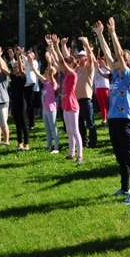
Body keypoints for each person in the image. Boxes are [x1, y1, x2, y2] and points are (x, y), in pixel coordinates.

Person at [96, 18, 130, 205]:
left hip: (124, 120)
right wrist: (99, 35)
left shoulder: (129, 76)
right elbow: (108, 53)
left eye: (117, 60)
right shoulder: (114, 76)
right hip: (113, 119)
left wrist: (113, 32)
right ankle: (125, 188)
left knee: (129, 157)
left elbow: (118, 54)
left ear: (125, 62)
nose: (112, 61)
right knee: (120, 157)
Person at [48, 35, 83, 164]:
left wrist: (57, 46)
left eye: (67, 63)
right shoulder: (65, 74)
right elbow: (59, 62)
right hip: (65, 105)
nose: (63, 65)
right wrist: (53, 48)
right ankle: (71, 153)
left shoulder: (73, 74)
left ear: (71, 65)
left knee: (75, 131)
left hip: (73, 106)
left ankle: (80, 156)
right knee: (69, 131)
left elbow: (61, 61)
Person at [69, 38, 97, 148]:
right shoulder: (77, 69)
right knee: (80, 123)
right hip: (77, 100)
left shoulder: (88, 68)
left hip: (86, 99)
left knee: (90, 122)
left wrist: (86, 44)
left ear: (85, 58)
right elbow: (69, 62)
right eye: (78, 56)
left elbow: (91, 58)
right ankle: (84, 142)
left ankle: (93, 143)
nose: (79, 58)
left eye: (81, 56)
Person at [35, 53, 60, 153]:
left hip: (51, 109)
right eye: (45, 71)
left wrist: (50, 61)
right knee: (47, 129)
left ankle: (56, 147)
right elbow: (37, 73)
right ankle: (49, 145)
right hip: (44, 109)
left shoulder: (54, 83)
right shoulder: (45, 81)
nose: (46, 72)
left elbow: (50, 74)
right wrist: (30, 64)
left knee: (53, 128)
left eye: (48, 71)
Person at [8, 49, 30, 151]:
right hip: (15, 102)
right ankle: (19, 143)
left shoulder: (23, 77)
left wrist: (18, 57)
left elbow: (21, 70)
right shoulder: (13, 77)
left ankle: (26, 143)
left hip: (22, 102)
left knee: (23, 123)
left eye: (16, 67)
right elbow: (5, 70)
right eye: (14, 67)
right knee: (17, 124)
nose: (15, 68)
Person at [94, 57, 111, 126]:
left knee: (106, 104)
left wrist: (105, 66)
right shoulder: (96, 70)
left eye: (101, 62)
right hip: (98, 89)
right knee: (101, 105)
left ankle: (109, 118)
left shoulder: (106, 69)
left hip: (105, 88)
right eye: (99, 62)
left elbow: (110, 72)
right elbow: (95, 80)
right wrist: (95, 89)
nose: (99, 63)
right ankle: (104, 119)